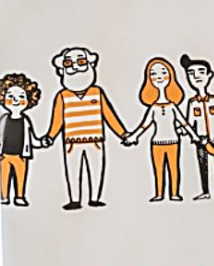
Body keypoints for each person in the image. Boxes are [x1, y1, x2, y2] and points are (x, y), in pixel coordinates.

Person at [44, 47, 130, 211]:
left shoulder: (97, 92)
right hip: (71, 142)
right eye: (69, 63)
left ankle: (95, 197)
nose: (75, 67)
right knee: (72, 170)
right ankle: (74, 199)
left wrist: (122, 134)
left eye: (81, 62)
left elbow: (109, 115)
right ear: (62, 69)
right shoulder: (62, 96)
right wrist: (50, 136)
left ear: (90, 64)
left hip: (95, 140)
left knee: (96, 168)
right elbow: (57, 119)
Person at [125, 58, 201, 202]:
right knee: (158, 169)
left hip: (173, 141)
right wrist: (134, 136)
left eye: (163, 73)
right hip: (157, 142)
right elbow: (144, 125)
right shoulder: (153, 107)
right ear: (149, 80)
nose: (159, 77)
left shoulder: (172, 106)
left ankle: (174, 193)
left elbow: (183, 122)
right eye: (154, 74)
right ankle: (159, 193)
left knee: (174, 167)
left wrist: (194, 135)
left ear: (170, 76)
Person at [180, 54, 214, 201]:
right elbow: (189, 121)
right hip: (201, 139)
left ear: (209, 75)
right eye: (191, 74)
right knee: (203, 165)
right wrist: (184, 131)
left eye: (201, 72)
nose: (196, 77)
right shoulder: (192, 103)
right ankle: (205, 191)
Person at [0, 73, 48, 207]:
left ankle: (19, 196)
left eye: (21, 97)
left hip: (21, 155)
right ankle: (4, 196)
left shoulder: (25, 121)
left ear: (29, 100)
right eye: (11, 96)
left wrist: (41, 143)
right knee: (4, 175)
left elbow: (31, 138)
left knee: (20, 176)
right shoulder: (3, 120)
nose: (15, 100)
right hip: (5, 155)